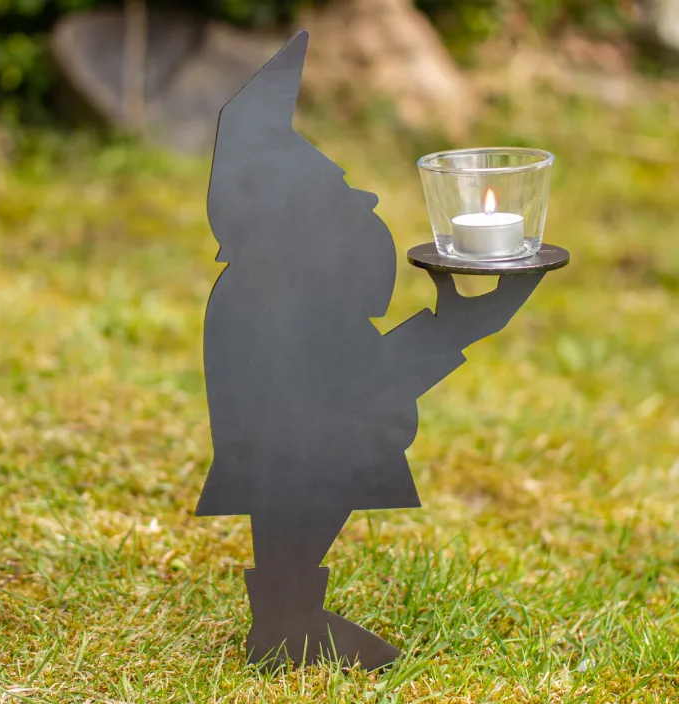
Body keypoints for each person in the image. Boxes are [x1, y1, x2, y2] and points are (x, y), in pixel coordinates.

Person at [196, 30, 542, 669]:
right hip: (289, 454)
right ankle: (287, 621)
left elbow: (358, 381)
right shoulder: (267, 298)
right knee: (302, 481)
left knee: (307, 485)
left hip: (301, 451)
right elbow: (354, 390)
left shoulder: (279, 291)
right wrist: (453, 329)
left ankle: (288, 612)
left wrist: (455, 327)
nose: (369, 198)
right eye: (340, 188)